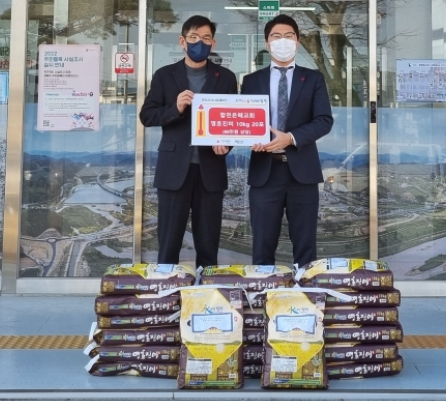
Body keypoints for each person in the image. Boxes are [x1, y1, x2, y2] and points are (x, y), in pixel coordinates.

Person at [139, 15, 238, 268]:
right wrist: (176, 107)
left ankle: (207, 289)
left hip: (210, 170)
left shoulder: (226, 77)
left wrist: (226, 145)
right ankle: (167, 288)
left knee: (208, 246)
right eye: (194, 37)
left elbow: (232, 120)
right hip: (173, 170)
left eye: (206, 38)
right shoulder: (164, 75)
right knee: (168, 244)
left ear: (213, 43)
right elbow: (147, 116)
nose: (199, 43)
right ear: (182, 41)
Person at [240, 14, 333, 267]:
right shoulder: (251, 81)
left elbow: (324, 120)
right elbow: (245, 120)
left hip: (302, 173)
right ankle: (264, 290)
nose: (283, 41)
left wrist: (290, 138)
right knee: (262, 246)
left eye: (288, 36)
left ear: (298, 41)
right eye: (276, 36)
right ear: (267, 43)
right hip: (264, 172)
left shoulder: (313, 79)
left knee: (305, 247)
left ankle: (305, 290)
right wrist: (251, 138)